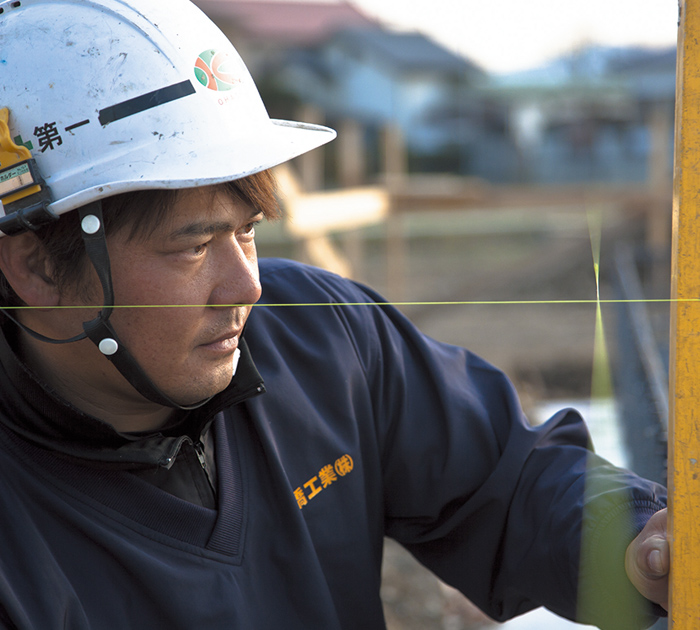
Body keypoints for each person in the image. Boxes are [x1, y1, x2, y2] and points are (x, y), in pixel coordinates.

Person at [0, 0, 668, 628]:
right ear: (35, 266)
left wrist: (640, 543)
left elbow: (510, 481)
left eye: (249, 231)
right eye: (195, 246)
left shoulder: (320, 338)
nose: (247, 286)